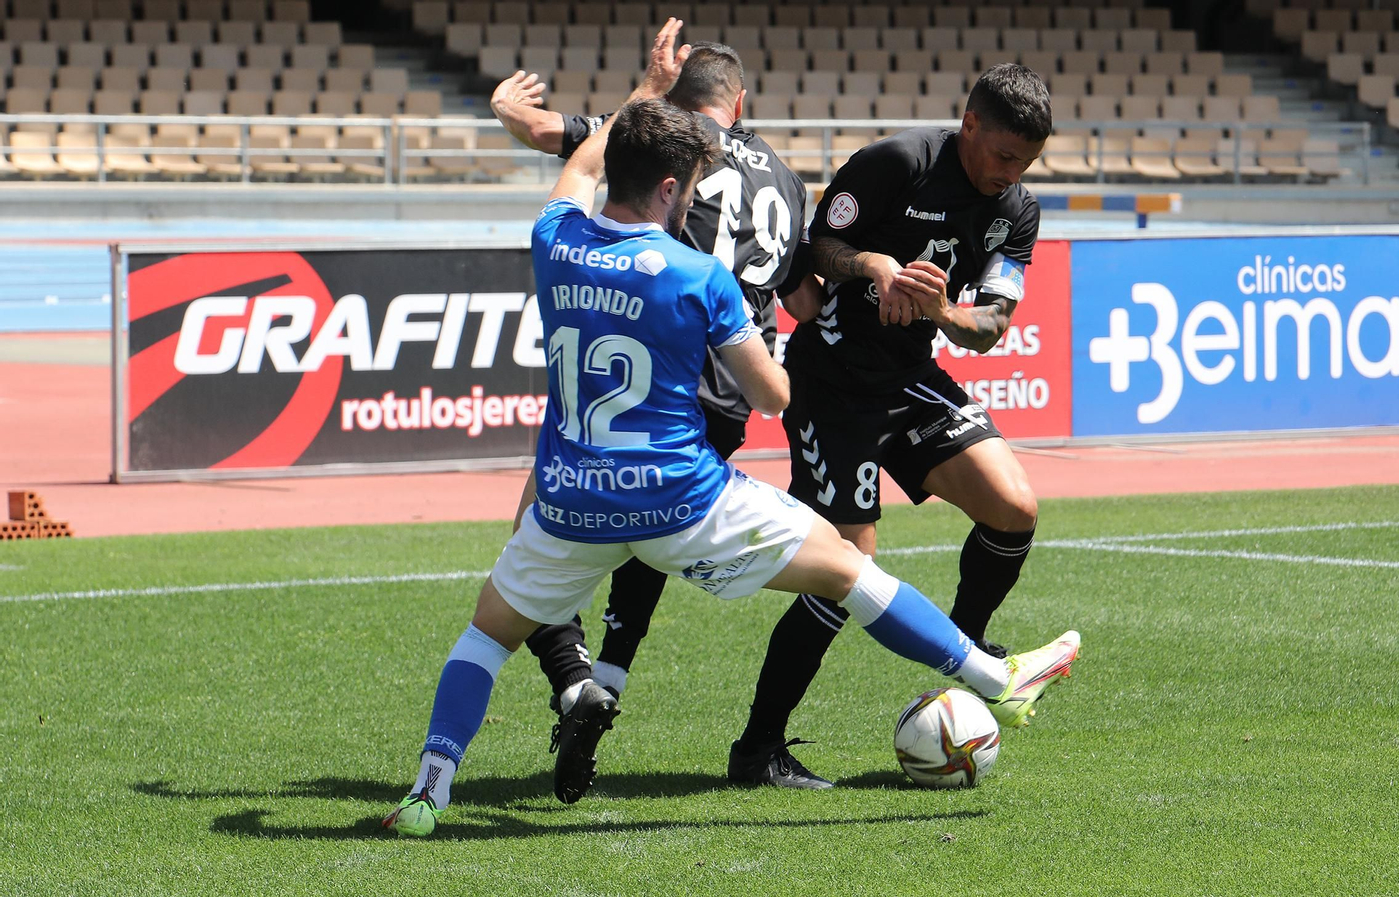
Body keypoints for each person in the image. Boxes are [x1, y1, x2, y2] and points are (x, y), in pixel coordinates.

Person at [382, 22, 1080, 838]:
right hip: (682, 498)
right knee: (852, 572)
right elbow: (778, 395)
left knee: (485, 635)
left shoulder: (553, 240)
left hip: (571, 498)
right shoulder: (697, 274)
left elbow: (576, 163)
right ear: (677, 189)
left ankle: (430, 790)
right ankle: (994, 675)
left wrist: (645, 92)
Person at [488, 43, 822, 802]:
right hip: (735, 391)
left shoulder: (662, 144)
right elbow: (801, 299)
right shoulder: (786, 177)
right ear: (742, 103)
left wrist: (514, 109)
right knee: (651, 543)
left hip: (656, 367)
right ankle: (605, 678)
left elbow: (562, 145)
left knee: (536, 534)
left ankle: (576, 686)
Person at [728, 64, 1056, 787]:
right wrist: (874, 263)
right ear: (969, 124)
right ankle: (757, 749)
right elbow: (811, 251)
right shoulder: (898, 163)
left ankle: (965, 652)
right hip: (833, 380)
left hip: (909, 377)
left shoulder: (1017, 210)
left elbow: (991, 324)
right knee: (848, 570)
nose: (1011, 174)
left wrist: (939, 310)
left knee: (1014, 507)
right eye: (1003, 155)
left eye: (1025, 162)